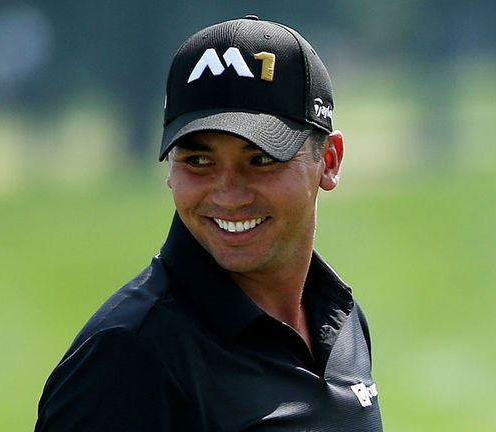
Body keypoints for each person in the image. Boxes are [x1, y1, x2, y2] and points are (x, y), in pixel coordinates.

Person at [35, 15, 383, 431]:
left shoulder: (340, 318)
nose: (228, 195)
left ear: (328, 161)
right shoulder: (130, 356)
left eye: (261, 159)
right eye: (198, 161)